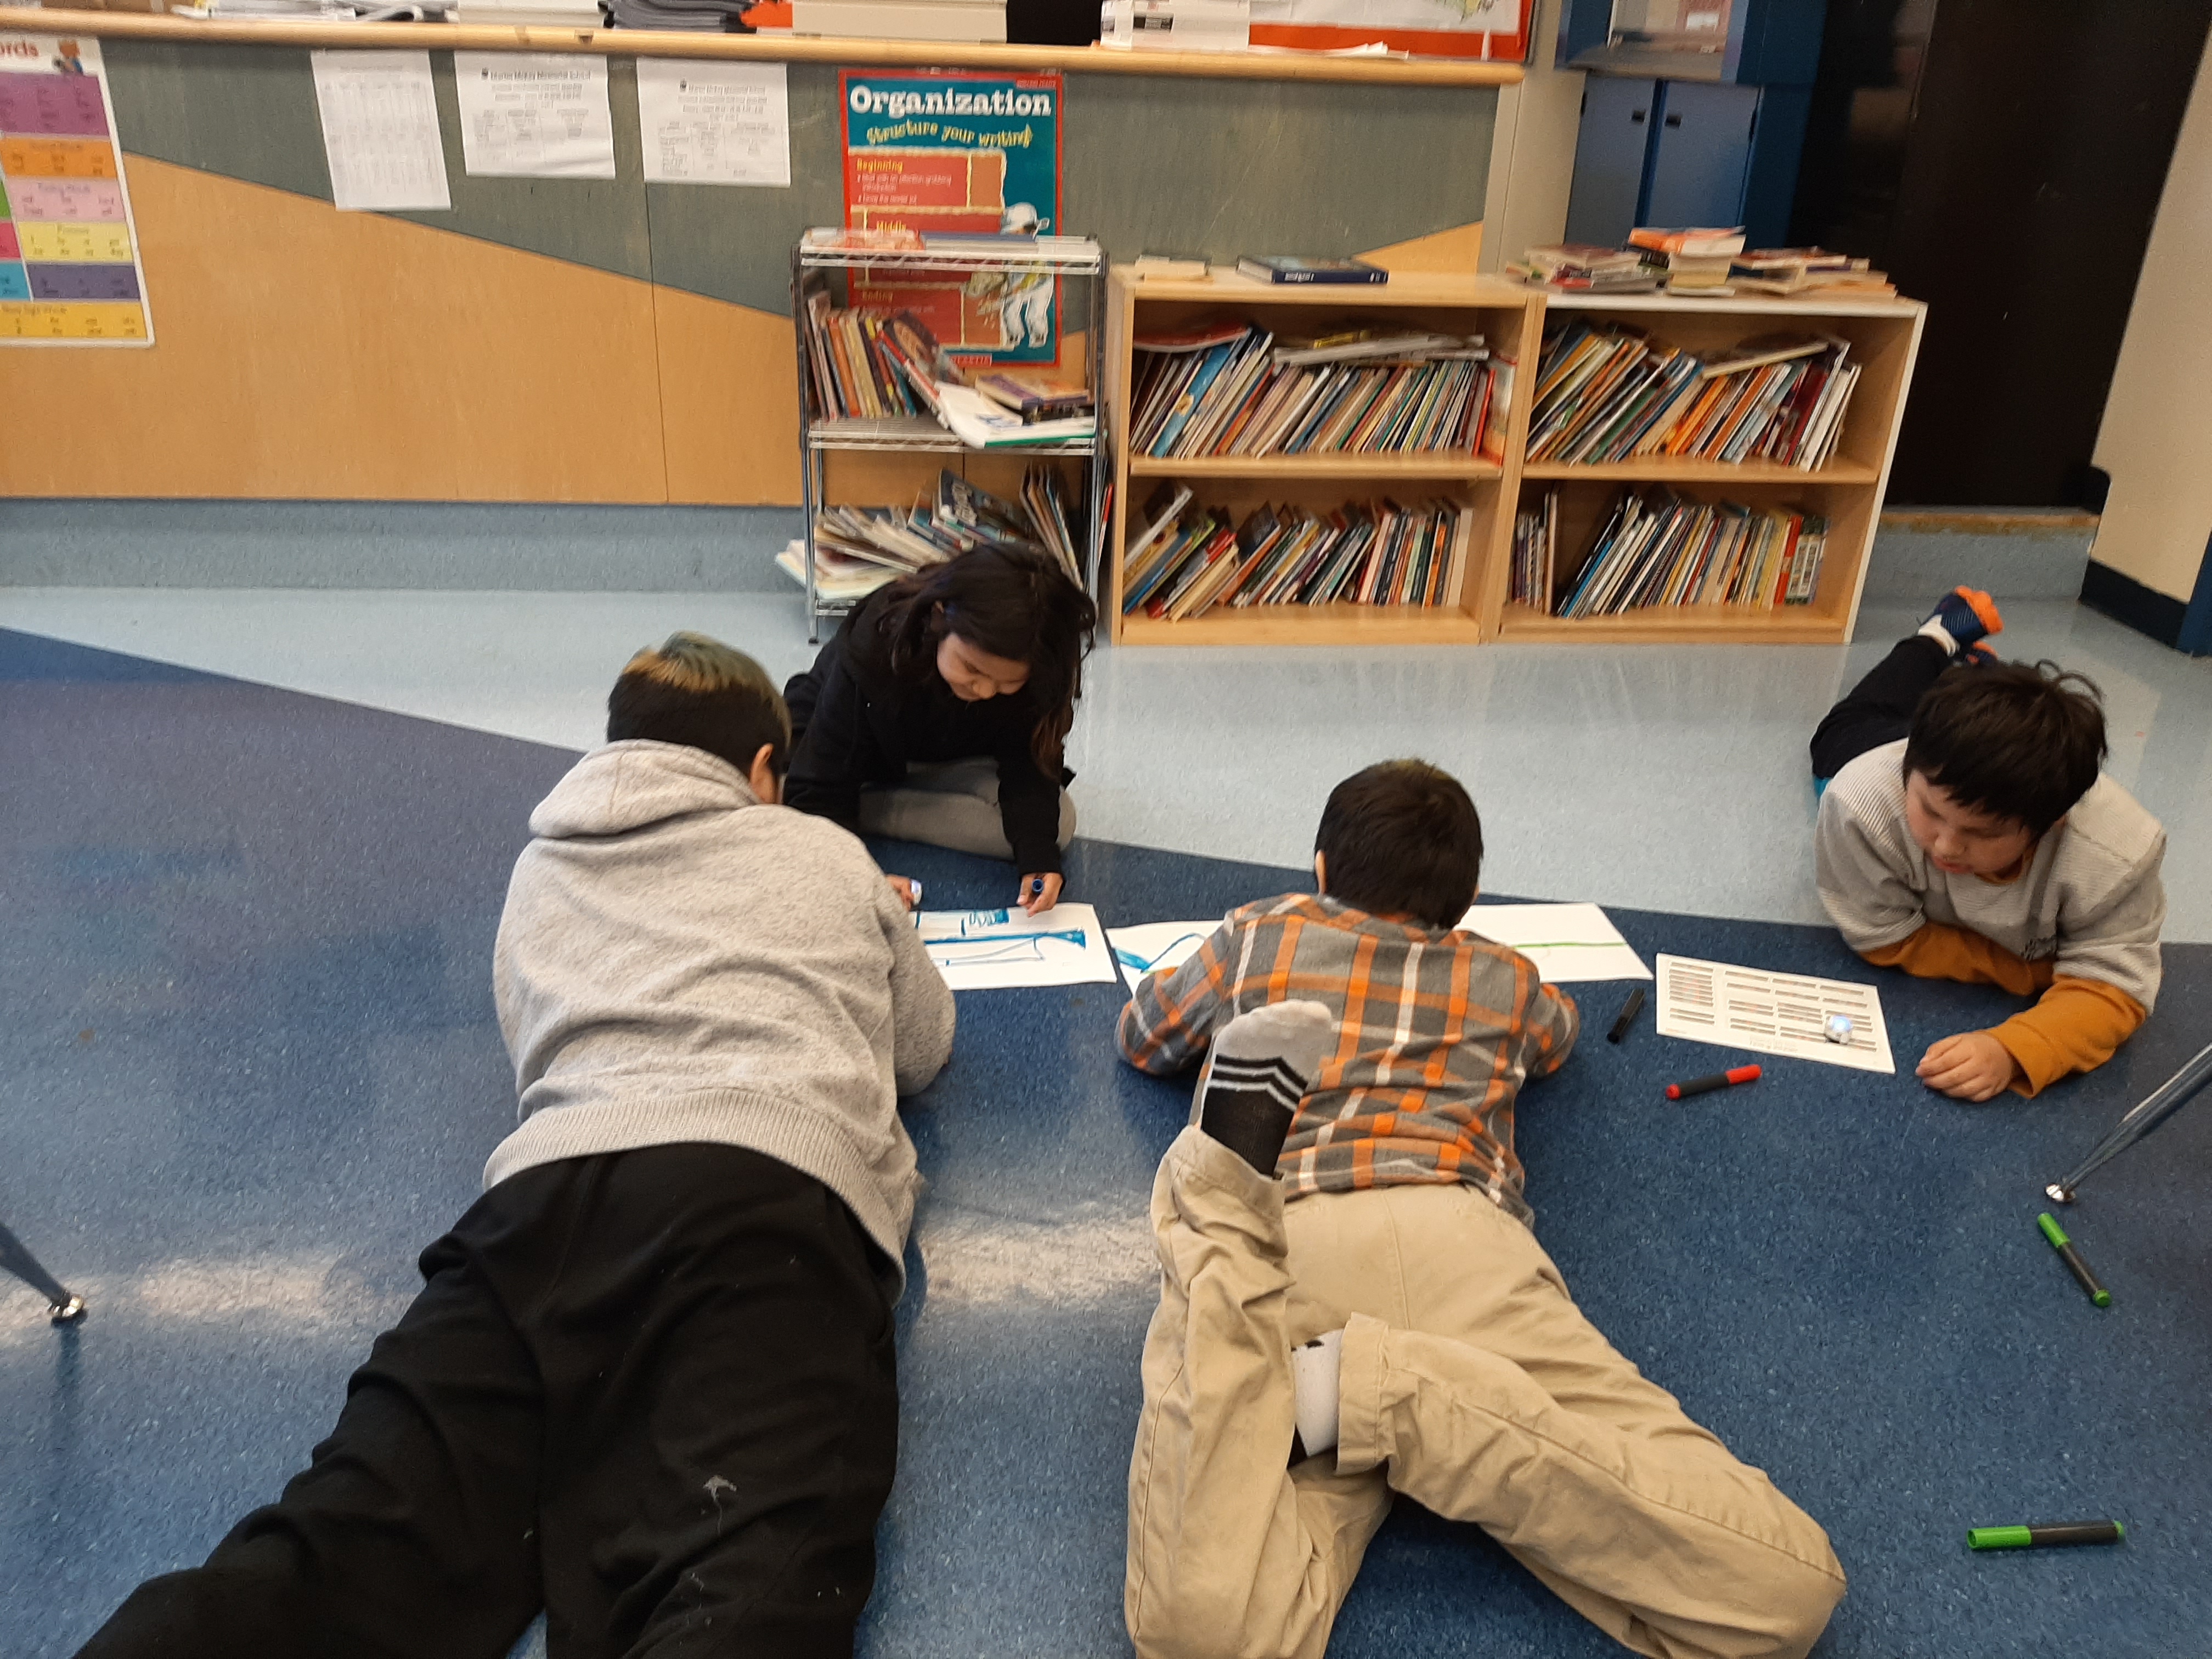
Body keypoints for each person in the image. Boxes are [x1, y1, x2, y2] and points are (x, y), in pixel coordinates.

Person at [76, 633, 955, 1659]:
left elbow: (532, 1037)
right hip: (766, 1197)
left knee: (351, 1533)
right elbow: (922, 1045)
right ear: (764, 769)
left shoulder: (539, 865)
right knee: (744, 1564)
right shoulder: (822, 850)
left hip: (540, 1205)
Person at [1116, 760, 1847, 1659]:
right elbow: (1558, 1037)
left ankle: (1233, 1230)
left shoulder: (1258, 932)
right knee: (1784, 1593)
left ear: (1320, 867)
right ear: (1463, 902)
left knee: (1203, 1632)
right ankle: (1378, 1395)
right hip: (1465, 1243)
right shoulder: (1505, 975)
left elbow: (1144, 1035)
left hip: (1296, 1238)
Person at [1812, 588, 2166, 1102]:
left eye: (1984, 834)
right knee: (1842, 728)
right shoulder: (1861, 801)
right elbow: (1883, 937)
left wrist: (2014, 1050)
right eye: (1930, 813)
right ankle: (1937, 639)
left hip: (1958, 769)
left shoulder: (2117, 853)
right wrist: (2028, 972)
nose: (1946, 847)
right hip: (1881, 745)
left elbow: (2117, 988)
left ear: (2052, 822)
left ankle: (1978, 673)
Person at [784, 543, 1096, 916]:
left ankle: (866, 808)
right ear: (939, 617)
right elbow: (821, 779)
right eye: (972, 669)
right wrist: (853, 874)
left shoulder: (1034, 664)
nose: (984, 691)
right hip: (849, 749)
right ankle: (857, 808)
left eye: (1005, 684)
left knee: (1057, 824)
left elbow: (1029, 762)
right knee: (789, 790)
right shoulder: (880, 638)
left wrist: (1038, 858)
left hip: (943, 759)